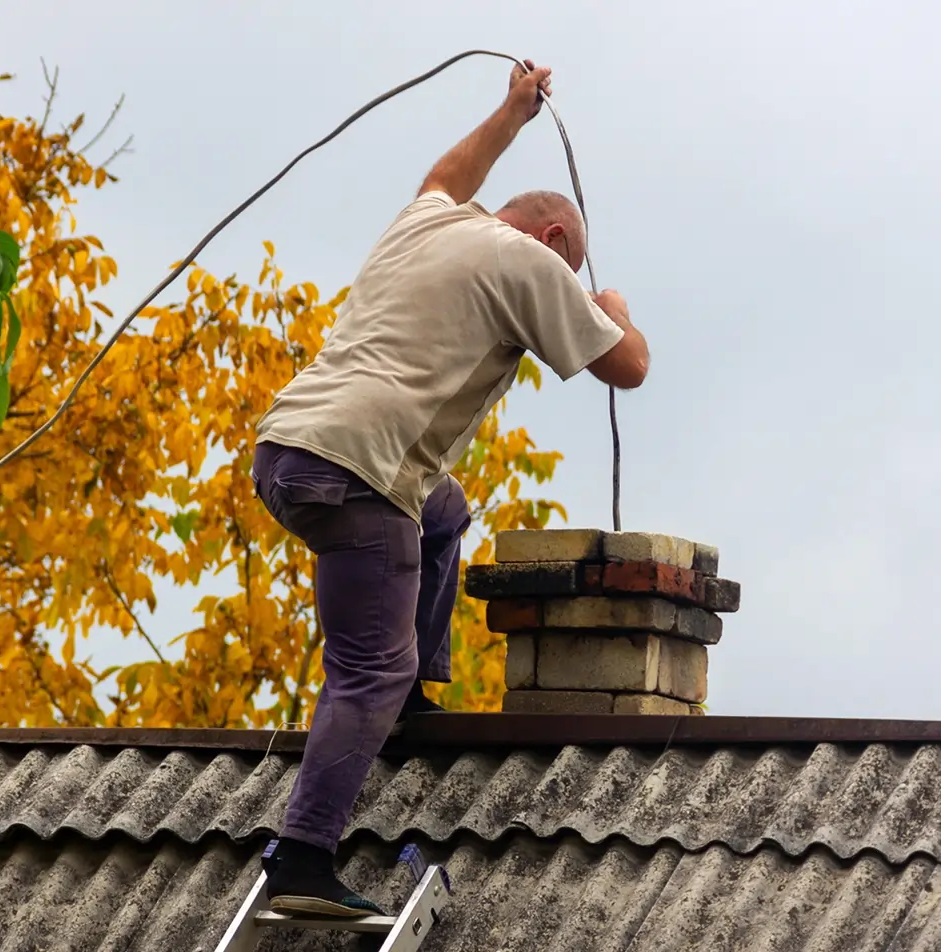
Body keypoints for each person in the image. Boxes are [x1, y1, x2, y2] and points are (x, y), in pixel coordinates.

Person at [249, 59, 650, 917]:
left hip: (288, 449)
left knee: (446, 506)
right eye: (569, 264)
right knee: (368, 667)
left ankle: (411, 695)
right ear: (552, 245)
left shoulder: (430, 220)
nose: (567, 280)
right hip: (361, 473)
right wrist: (611, 303)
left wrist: (510, 114)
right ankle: (303, 860)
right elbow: (629, 366)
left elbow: (446, 174)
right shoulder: (532, 263)